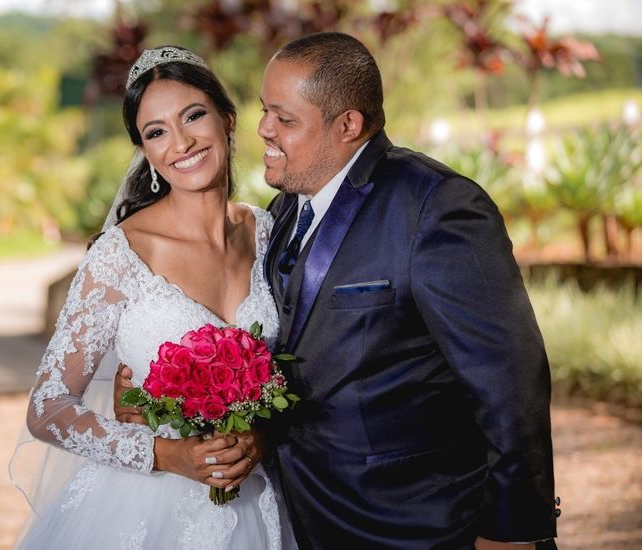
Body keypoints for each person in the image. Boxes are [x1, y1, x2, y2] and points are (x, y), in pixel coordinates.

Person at [117, 32, 559, 549]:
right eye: (264, 111)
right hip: (300, 518)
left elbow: (510, 383)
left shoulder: (435, 208)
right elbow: (282, 357)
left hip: (423, 526)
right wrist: (161, 398)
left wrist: (512, 532)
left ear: (348, 124)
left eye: (284, 118)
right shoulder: (280, 215)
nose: (262, 129)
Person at [11, 46, 296, 549]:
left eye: (193, 116)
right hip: (143, 512)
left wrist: (260, 435)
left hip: (256, 498)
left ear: (227, 119)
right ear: (145, 151)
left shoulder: (267, 230)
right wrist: (166, 453)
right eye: (156, 132)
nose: (181, 142)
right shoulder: (122, 254)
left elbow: (299, 364)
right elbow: (49, 409)